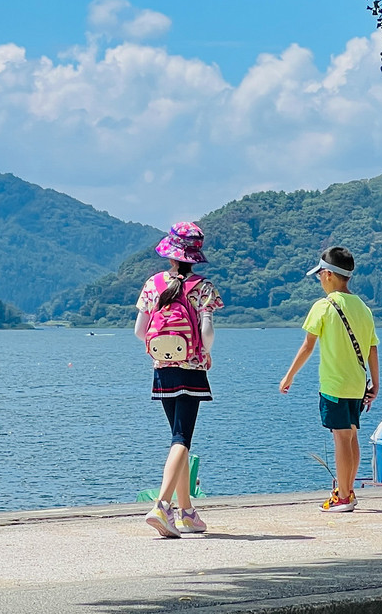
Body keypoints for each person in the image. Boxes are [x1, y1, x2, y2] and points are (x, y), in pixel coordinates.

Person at [135, 220, 223, 538]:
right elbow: (207, 333)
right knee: (181, 439)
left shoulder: (153, 284)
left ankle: (186, 512)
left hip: (162, 368)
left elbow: (140, 332)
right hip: (192, 368)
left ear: (170, 254)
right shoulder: (202, 288)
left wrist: (158, 352)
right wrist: (205, 352)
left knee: (178, 437)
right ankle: (162, 505)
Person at [279, 245, 379, 512]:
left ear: (328, 275)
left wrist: (289, 376)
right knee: (352, 436)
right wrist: (376, 383)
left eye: (320, 274)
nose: (320, 279)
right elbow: (371, 348)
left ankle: (343, 496)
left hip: (334, 384)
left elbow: (307, 346)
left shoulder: (323, 307)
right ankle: (348, 489)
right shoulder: (363, 308)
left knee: (341, 438)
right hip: (358, 383)